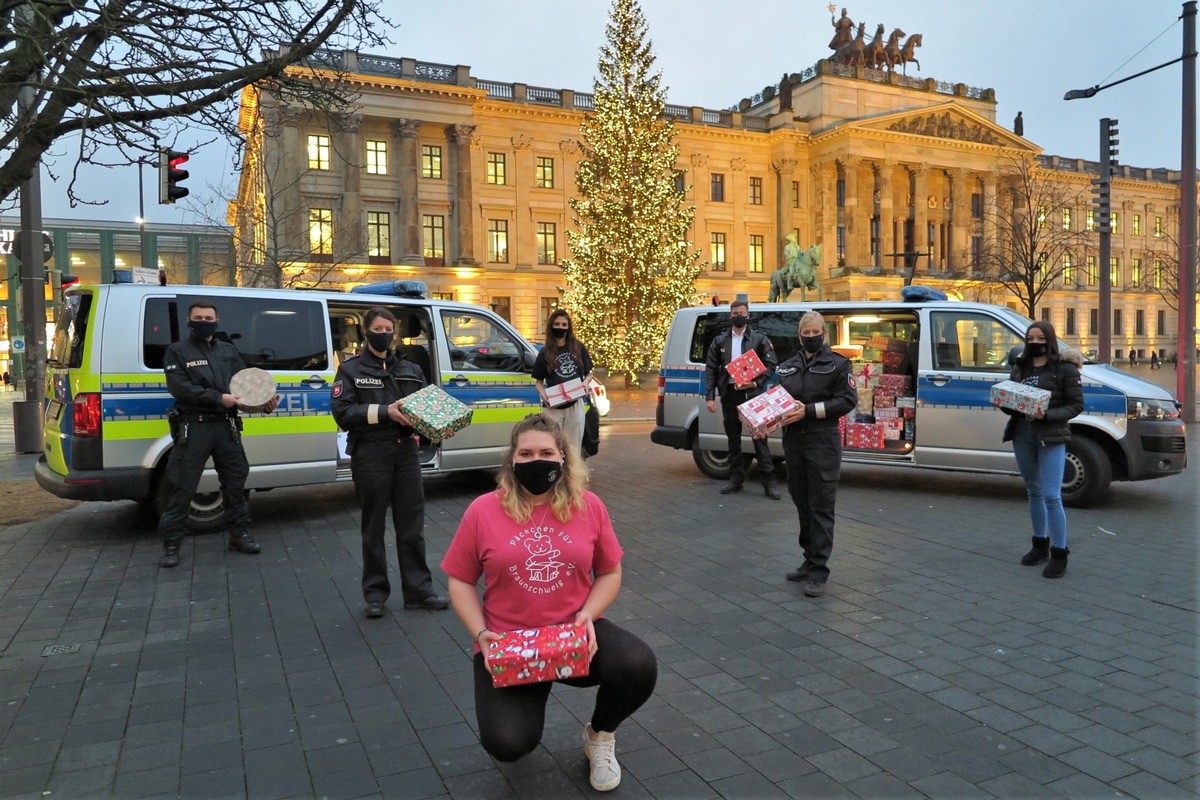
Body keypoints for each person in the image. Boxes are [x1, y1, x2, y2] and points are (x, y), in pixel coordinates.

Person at [441, 414, 657, 792]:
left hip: (575, 636)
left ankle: (599, 735)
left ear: (562, 459)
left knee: (637, 665)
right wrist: (481, 634)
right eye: (525, 452)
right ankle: (532, 693)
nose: (535, 460)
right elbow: (459, 580)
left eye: (545, 452)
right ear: (512, 459)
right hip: (509, 645)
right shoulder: (483, 511)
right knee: (508, 743)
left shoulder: (588, 506)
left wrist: (588, 615)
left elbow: (609, 572)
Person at [331, 306, 449, 617]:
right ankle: (375, 596)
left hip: (405, 455)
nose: (383, 334)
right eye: (378, 329)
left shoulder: (410, 368)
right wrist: (384, 412)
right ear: (366, 332)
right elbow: (342, 413)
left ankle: (419, 591)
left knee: (412, 527)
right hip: (371, 453)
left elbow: (427, 406)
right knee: (373, 529)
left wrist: (437, 427)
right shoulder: (351, 370)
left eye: (388, 329)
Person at [158, 301, 279, 568]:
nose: (204, 321)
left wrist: (263, 404)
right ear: (189, 321)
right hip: (194, 426)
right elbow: (179, 387)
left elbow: (243, 388)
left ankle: (240, 535)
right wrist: (217, 398)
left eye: (208, 317)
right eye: (198, 317)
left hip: (226, 426)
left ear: (217, 320)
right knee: (183, 485)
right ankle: (171, 544)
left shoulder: (227, 350)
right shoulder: (177, 351)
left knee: (236, 484)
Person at [772, 311, 856, 597]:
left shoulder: (838, 364)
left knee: (820, 506)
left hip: (822, 442)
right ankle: (808, 560)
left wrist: (808, 410)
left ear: (824, 333)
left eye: (815, 332)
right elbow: (775, 398)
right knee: (802, 502)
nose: (810, 337)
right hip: (794, 442)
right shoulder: (788, 367)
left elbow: (846, 401)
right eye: (805, 334)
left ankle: (819, 571)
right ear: (799, 335)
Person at [996, 321, 1083, 579]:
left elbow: (1076, 405)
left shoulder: (1064, 368)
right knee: (1033, 491)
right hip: (1022, 433)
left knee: (1052, 495)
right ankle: (1039, 545)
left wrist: (1047, 415)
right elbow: (1013, 398)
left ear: (1050, 339)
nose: (1035, 342)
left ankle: (1059, 553)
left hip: (1051, 435)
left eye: (1040, 338)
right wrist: (1006, 403)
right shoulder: (1020, 366)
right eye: (1030, 338)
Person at [704, 300, 780, 499]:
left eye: (742, 313)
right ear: (730, 316)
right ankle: (736, 480)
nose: (739, 316)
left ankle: (769, 483)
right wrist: (710, 398)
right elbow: (711, 370)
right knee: (733, 440)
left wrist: (755, 384)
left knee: (760, 438)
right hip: (730, 394)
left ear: (748, 315)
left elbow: (771, 364)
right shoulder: (720, 341)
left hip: (752, 395)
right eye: (735, 313)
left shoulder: (759, 339)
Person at [532, 310, 594, 456]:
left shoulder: (578, 347)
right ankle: (554, 476)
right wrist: (544, 395)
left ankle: (572, 477)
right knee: (550, 445)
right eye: (557, 324)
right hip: (553, 406)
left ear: (569, 327)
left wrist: (585, 383)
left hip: (575, 404)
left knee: (573, 447)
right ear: (551, 326)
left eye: (564, 324)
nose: (561, 327)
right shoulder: (545, 352)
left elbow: (589, 373)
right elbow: (538, 381)